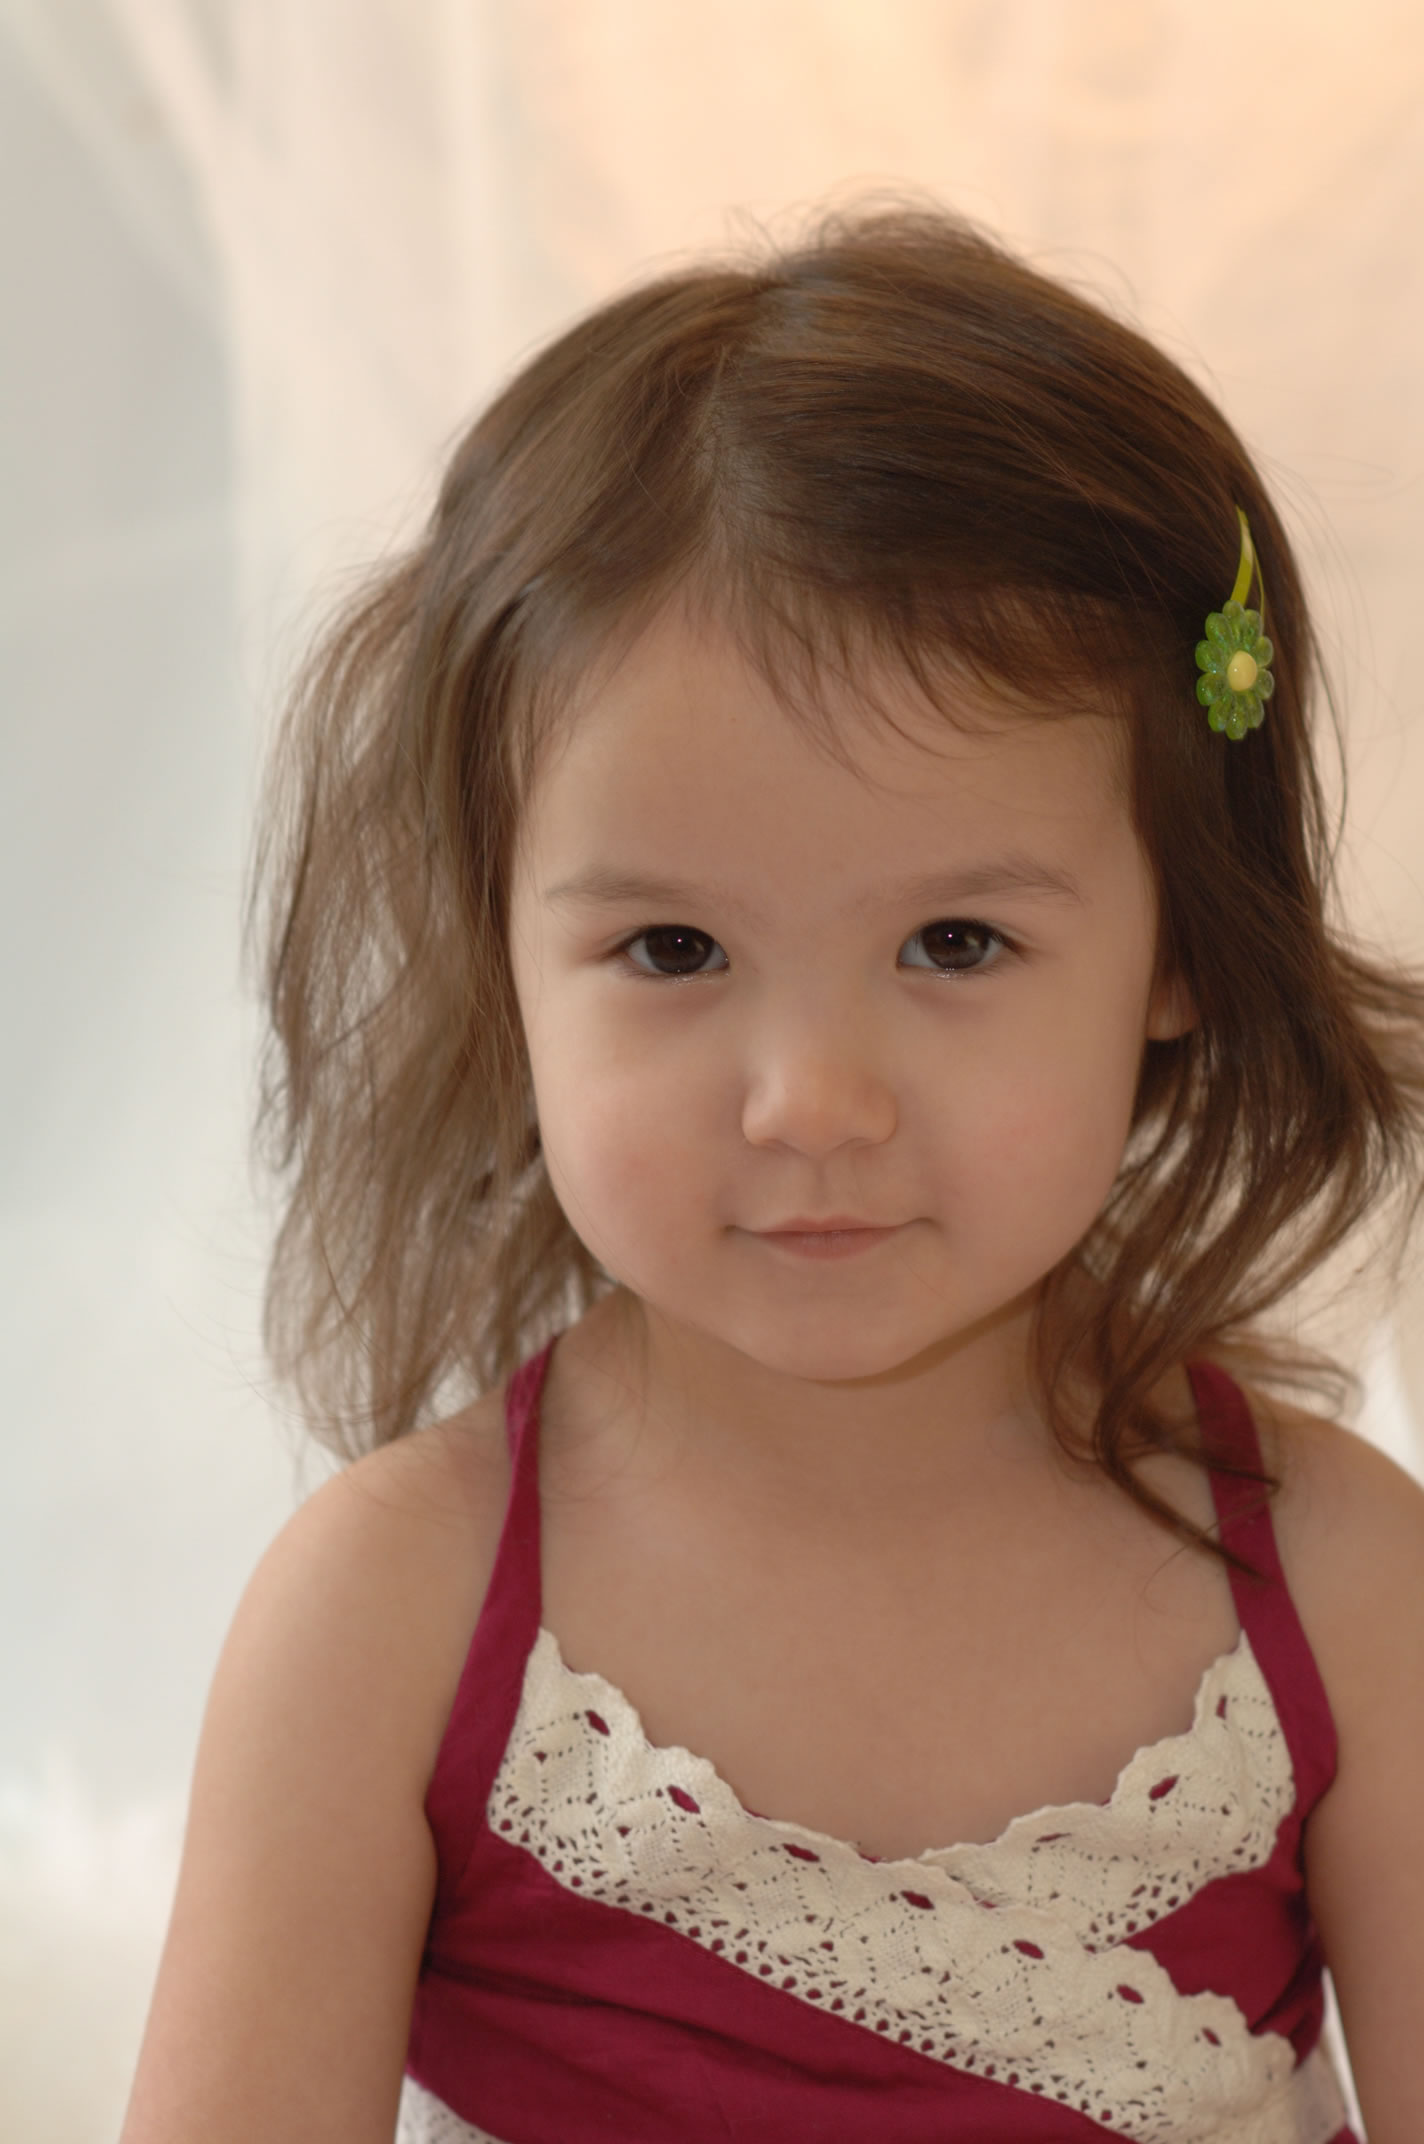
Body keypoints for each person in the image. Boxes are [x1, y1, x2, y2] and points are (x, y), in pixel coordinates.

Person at [120, 208, 1424, 2144]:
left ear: (1182, 943)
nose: (812, 1101)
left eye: (956, 943)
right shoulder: (390, 1611)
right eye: (673, 950)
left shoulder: (1342, 1581)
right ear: (499, 955)